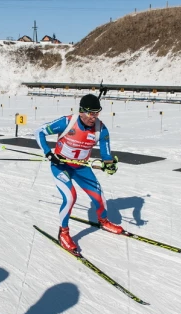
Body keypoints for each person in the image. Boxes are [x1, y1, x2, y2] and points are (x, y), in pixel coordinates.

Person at [35, 93, 121, 253]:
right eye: (90, 113)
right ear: (81, 111)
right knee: (70, 197)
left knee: (100, 197)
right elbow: (38, 131)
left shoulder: (101, 129)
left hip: (81, 167)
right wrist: (48, 153)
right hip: (61, 166)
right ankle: (63, 233)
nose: (93, 117)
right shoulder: (67, 122)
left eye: (96, 113)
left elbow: (106, 155)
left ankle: (103, 221)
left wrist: (109, 165)